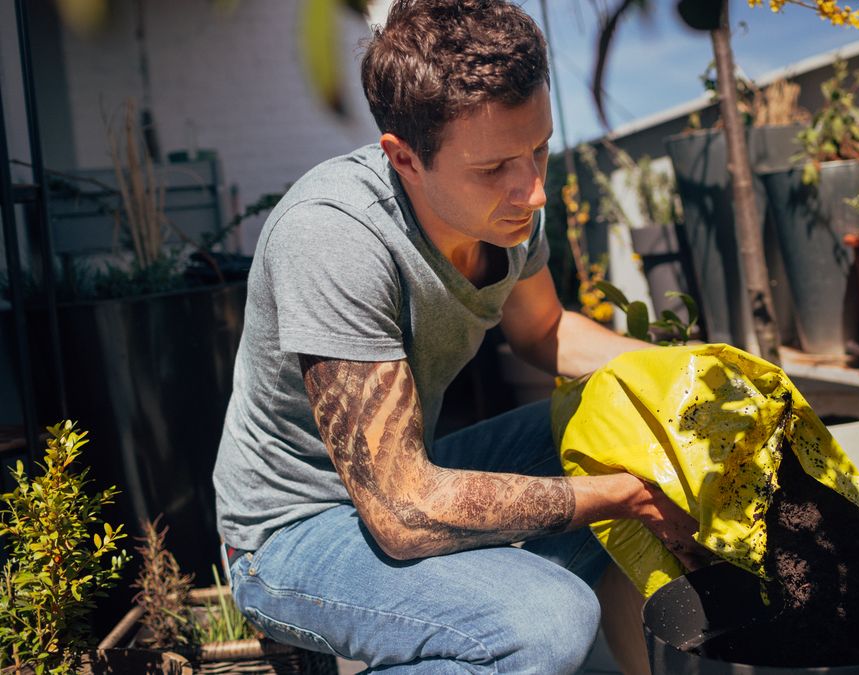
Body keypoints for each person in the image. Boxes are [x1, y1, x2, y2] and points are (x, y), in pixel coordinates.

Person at [212, 1, 705, 672]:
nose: (533, 191)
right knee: (548, 619)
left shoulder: (510, 214)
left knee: (618, 424)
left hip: (410, 473)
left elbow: (546, 330)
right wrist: (619, 495)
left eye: (540, 148)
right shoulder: (334, 236)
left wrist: (694, 373)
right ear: (405, 158)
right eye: (493, 167)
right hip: (292, 532)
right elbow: (404, 511)